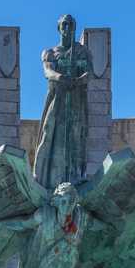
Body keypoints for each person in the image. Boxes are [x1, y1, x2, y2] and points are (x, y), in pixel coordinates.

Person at [33, 14, 92, 189]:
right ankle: (45, 178)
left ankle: (76, 177)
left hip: (76, 100)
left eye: (71, 25)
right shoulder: (50, 52)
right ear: (59, 28)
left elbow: (89, 73)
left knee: (76, 137)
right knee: (50, 133)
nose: (67, 28)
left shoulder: (82, 52)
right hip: (57, 98)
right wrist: (61, 78)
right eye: (64, 24)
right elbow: (48, 71)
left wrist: (79, 80)